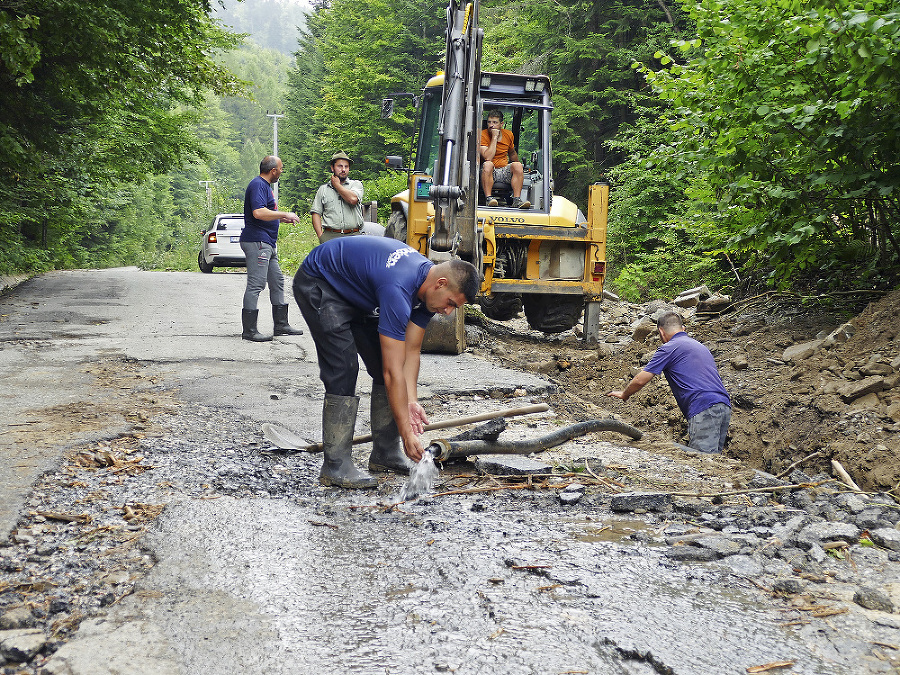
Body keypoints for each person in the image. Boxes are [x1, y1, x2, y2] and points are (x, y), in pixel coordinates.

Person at [292, 236, 480, 488]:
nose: (448, 312)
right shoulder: (398, 290)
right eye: (450, 304)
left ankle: (385, 453)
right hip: (322, 282)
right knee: (343, 368)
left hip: (360, 291)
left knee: (384, 362)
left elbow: (411, 352)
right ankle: (335, 466)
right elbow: (394, 373)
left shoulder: (427, 293)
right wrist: (407, 433)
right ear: (441, 284)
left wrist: (411, 400)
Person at [607, 311, 731, 453]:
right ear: (683, 329)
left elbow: (640, 380)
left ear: (661, 331)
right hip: (724, 405)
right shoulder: (700, 346)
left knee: (704, 462)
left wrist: (625, 394)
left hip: (703, 406)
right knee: (715, 461)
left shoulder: (670, 347)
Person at [240, 155, 304, 342]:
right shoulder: (258, 185)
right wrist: (285, 212)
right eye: (281, 169)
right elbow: (258, 213)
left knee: (277, 282)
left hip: (268, 243)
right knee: (256, 285)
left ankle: (281, 324)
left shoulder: (264, 187)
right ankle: (249, 330)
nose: (281, 172)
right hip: (257, 242)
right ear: (273, 170)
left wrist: (281, 218)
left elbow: (265, 212)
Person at [479, 109, 530, 209]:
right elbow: (487, 157)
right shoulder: (482, 135)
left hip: (504, 170)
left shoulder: (508, 135)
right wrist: (494, 137)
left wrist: (520, 168)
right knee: (488, 164)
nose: (491, 125)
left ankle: (516, 200)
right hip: (488, 171)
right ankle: (489, 199)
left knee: (517, 165)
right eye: (489, 122)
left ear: (501, 124)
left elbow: (512, 153)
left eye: (495, 122)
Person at [310, 151, 364, 242]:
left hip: (354, 235)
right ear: (332, 168)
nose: (343, 169)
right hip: (330, 236)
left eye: (346, 167)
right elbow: (316, 213)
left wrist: (337, 186)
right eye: (340, 166)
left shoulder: (356, 185)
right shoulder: (323, 189)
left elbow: (353, 199)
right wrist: (321, 236)